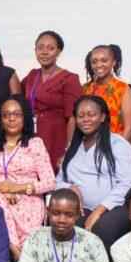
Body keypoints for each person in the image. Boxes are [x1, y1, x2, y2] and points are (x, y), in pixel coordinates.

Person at [0, 96, 55, 260]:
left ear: (25, 117)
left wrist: (17, 188)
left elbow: (50, 182)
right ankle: (15, 251)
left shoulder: (35, 143)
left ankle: (16, 256)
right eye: (6, 115)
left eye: (16, 114)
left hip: (27, 202)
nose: (11, 119)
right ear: (0, 119)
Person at [55, 95, 131, 253]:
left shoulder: (118, 144)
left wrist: (100, 210)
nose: (85, 119)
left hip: (113, 207)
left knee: (102, 229)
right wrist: (70, 187)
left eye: (91, 115)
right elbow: (58, 180)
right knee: (65, 226)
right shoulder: (73, 146)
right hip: (80, 208)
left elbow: (127, 183)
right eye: (81, 116)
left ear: (102, 117)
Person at [21, 30, 81, 171]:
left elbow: (73, 118)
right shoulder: (31, 76)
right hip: (32, 135)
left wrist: (69, 149)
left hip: (56, 136)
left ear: (59, 52)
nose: (44, 52)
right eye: (40, 48)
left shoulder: (70, 78)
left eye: (50, 48)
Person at [83, 45, 131, 145]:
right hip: (89, 149)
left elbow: (130, 129)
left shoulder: (123, 89)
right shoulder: (85, 89)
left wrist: (115, 150)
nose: (99, 65)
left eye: (104, 60)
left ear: (113, 62)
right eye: (94, 62)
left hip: (114, 148)